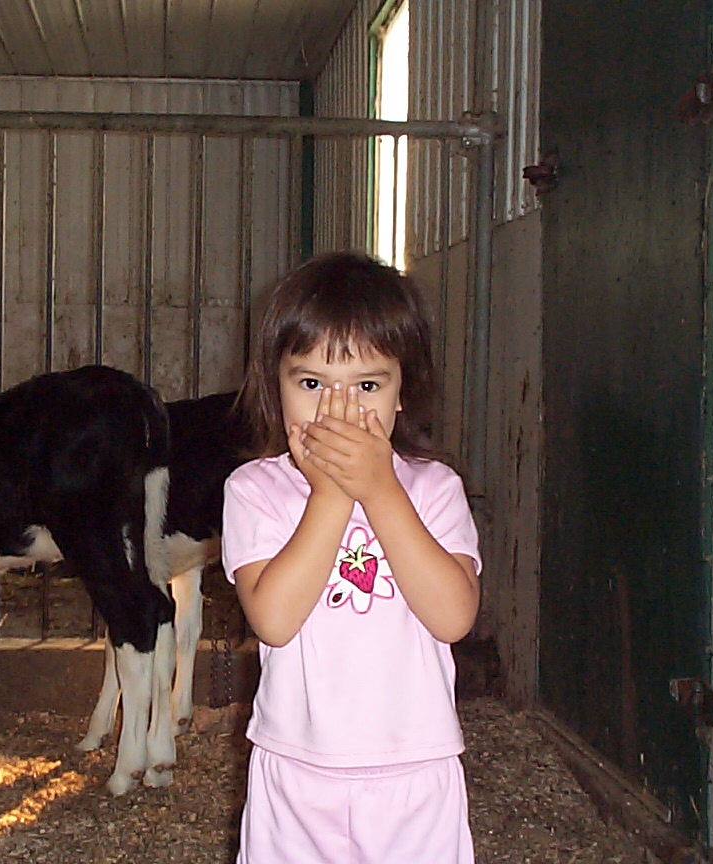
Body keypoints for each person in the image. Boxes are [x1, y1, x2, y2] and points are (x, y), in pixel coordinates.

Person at [222, 250, 482, 863]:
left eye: (367, 385)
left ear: (402, 391)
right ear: (275, 385)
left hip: (415, 776)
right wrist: (334, 495)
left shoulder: (434, 490)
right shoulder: (256, 491)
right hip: (295, 774)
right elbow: (274, 619)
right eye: (312, 383)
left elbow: (453, 617)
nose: (337, 409)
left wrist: (380, 489)